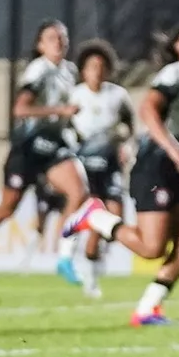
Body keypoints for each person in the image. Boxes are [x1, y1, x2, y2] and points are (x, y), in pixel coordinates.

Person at [64, 19, 179, 326]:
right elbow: (148, 111)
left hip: (174, 168)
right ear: (177, 47)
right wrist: (173, 150)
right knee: (152, 248)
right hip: (154, 165)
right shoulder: (174, 74)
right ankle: (94, 217)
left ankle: (147, 310)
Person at [0, 19, 90, 287]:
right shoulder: (39, 71)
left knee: (79, 192)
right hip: (28, 149)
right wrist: (58, 112)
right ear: (40, 45)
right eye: (51, 38)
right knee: (7, 208)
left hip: (53, 146)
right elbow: (20, 109)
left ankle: (64, 258)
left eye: (62, 37)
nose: (58, 42)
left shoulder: (69, 71)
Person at [68, 38, 135, 299]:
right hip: (85, 165)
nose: (97, 71)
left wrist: (126, 145)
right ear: (83, 71)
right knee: (99, 215)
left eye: (101, 66)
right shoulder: (75, 96)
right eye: (91, 66)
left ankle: (91, 256)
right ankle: (91, 277)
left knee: (115, 215)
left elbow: (130, 126)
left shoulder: (117, 95)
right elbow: (65, 128)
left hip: (110, 164)